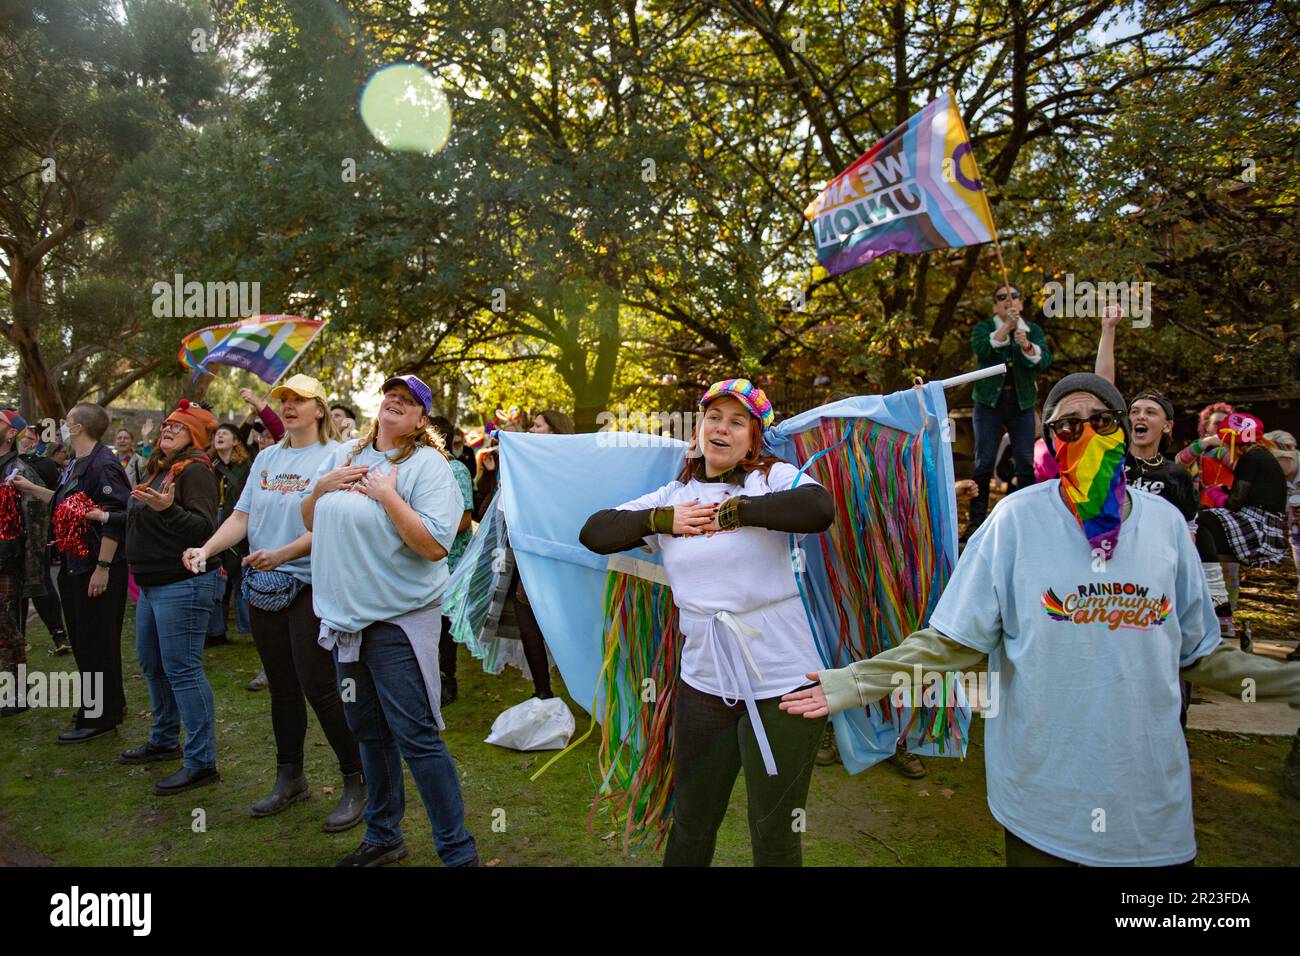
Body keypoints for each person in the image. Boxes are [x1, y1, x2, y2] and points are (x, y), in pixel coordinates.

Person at [780, 372, 1300, 866]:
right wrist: (852, 683)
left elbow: (1201, 654)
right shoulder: (1016, 520)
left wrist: (1288, 682)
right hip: (1042, 801)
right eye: (1067, 424)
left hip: (1148, 805)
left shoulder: (1165, 526)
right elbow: (951, 643)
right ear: (1051, 441)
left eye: (1101, 419)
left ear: (1121, 429)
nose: (1085, 432)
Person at [580, 378, 836, 866]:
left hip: (786, 682)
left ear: (754, 437)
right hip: (704, 683)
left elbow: (819, 508)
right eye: (714, 417)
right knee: (692, 823)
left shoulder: (774, 478)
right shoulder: (673, 495)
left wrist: (735, 513)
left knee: (776, 831)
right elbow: (594, 532)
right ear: (698, 428)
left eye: (737, 421)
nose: (722, 428)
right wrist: (661, 521)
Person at [302, 374, 479, 867]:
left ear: (422, 419)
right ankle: (383, 838)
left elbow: (434, 545)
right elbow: (311, 521)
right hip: (346, 625)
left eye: (409, 401)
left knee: (416, 736)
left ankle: (458, 853)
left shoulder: (428, 466)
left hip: (396, 624)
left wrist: (387, 495)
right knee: (367, 732)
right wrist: (320, 487)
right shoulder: (351, 457)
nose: (395, 403)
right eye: (390, 396)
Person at [183, 375, 365, 830]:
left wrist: (284, 554)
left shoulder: (337, 456)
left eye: (298, 400)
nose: (287, 406)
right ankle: (291, 778)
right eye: (282, 399)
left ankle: (357, 780)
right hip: (263, 585)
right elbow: (243, 517)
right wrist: (206, 550)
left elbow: (336, 521)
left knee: (320, 687)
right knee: (282, 688)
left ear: (320, 409)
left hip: (311, 584)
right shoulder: (266, 457)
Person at [115, 399, 223, 795]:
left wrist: (165, 510)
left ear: (194, 434)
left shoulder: (196, 472)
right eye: (166, 426)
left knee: (183, 670)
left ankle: (201, 762)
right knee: (152, 664)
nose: (167, 430)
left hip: (183, 584)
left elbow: (203, 529)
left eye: (177, 427)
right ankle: (163, 739)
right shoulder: (159, 469)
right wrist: (105, 517)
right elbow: (143, 517)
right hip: (151, 585)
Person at [13, 404, 131, 739]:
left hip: (96, 567)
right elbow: (67, 503)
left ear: (78, 428)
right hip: (74, 563)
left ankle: (100, 718)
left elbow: (116, 516)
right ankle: (107, 704)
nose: (62, 428)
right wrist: (31, 488)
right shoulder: (76, 463)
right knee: (84, 640)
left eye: (66, 423)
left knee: (96, 641)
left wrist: (103, 568)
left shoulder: (103, 464)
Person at [1193, 412, 1287, 648]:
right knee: (1204, 523)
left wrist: (1215, 494)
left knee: (1201, 521)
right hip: (1268, 524)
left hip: (1259, 527)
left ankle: (1219, 602)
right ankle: (1218, 607)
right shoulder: (1263, 455)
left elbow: (1235, 502)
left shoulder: (1250, 459)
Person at [968, 283, 1053, 534]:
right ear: (995, 305)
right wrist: (1006, 327)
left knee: (1025, 463)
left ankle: (1026, 520)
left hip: (1021, 404)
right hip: (988, 404)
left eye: (1013, 296)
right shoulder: (985, 328)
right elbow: (983, 348)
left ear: (1021, 303)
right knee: (983, 462)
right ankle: (976, 523)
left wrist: (1026, 344)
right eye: (1001, 297)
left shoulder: (1032, 330)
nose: (1008, 300)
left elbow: (1044, 360)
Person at [0, 410, 54, 718]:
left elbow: (36, 523)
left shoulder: (20, 470)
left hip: (7, 561)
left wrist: (34, 573)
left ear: (11, 434)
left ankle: (16, 693)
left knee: (7, 629)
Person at [15, 423, 70, 655]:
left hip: (37, 536)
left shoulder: (43, 465)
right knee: (14, 589)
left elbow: (60, 497)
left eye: (29, 437)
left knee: (39, 584)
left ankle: (60, 637)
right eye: (23, 437)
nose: (26, 441)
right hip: (8, 537)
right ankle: (19, 639)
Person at [430, 416, 474, 706]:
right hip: (423, 561)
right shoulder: (421, 468)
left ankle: (448, 678)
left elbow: (464, 519)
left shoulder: (455, 469)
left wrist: (428, 534)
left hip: (449, 561)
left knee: (444, 626)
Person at [206, 423, 252, 645]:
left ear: (236, 441)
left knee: (240, 577)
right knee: (215, 578)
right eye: (217, 433)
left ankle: (249, 629)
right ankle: (216, 632)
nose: (220, 435)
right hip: (212, 525)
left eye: (226, 433)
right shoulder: (207, 466)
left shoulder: (247, 466)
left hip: (238, 524)